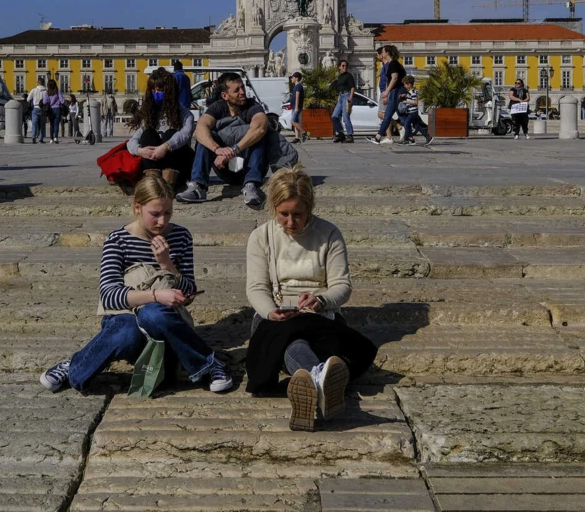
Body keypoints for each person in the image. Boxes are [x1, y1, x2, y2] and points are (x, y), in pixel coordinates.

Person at [38, 172, 232, 395]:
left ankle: (208, 365)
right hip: (125, 321)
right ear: (137, 207)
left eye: (168, 213)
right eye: (155, 214)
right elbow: (109, 295)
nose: (162, 221)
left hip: (167, 325)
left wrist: (167, 264)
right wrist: (156, 295)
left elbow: (189, 290)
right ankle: (74, 367)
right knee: (128, 328)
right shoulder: (118, 240)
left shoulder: (180, 236)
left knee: (154, 314)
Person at [245, 165, 377, 431]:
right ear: (273, 208)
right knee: (289, 337)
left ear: (310, 208)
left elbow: (342, 285)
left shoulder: (329, 234)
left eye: (298, 214)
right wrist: (271, 311)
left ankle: (313, 384)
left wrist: (321, 300)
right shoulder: (261, 237)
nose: (291, 222)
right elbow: (256, 288)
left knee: (296, 342)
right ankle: (321, 381)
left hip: (319, 315)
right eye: (284, 215)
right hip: (276, 314)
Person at [176, 71, 275, 207]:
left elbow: (260, 126)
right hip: (224, 167)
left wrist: (233, 150)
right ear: (225, 95)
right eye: (237, 90)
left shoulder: (252, 106)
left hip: (250, 167)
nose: (242, 92)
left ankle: (251, 185)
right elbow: (200, 128)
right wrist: (218, 150)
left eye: (242, 87)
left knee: (258, 135)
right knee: (205, 137)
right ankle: (198, 186)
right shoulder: (217, 107)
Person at [126, 68, 194, 188]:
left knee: (171, 133)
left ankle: (169, 180)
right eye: (153, 90)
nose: (156, 93)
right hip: (155, 161)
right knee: (148, 134)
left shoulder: (185, 113)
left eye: (160, 90)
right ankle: (153, 179)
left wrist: (166, 146)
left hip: (176, 162)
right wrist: (140, 151)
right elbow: (134, 139)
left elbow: (185, 134)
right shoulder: (149, 114)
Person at [370, 45, 406, 145]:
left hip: (392, 91)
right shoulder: (389, 64)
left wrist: (386, 92)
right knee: (389, 115)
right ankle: (391, 133)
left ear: (386, 53)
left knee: (386, 115)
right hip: (390, 91)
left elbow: (392, 79)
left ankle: (390, 133)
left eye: (382, 52)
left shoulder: (391, 64)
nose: (379, 55)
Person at [399, 75, 433, 145]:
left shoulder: (413, 92)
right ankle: (428, 136)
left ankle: (406, 140)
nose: (404, 86)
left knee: (407, 124)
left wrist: (406, 102)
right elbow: (410, 96)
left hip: (412, 112)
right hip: (412, 112)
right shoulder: (411, 91)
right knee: (417, 126)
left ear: (409, 84)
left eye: (405, 84)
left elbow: (415, 102)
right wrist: (404, 96)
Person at [331, 59, 355, 143]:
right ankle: (341, 133)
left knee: (345, 117)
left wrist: (351, 97)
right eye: (343, 66)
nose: (344, 67)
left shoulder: (349, 76)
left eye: (346, 66)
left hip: (347, 96)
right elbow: (339, 87)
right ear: (339, 67)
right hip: (341, 97)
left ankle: (350, 135)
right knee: (334, 116)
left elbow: (352, 87)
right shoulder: (339, 76)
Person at [289, 71, 309, 143]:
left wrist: (296, 107)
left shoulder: (298, 86)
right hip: (294, 107)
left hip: (296, 107)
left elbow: (297, 97)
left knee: (293, 121)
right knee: (296, 122)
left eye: (292, 77)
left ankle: (304, 133)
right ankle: (297, 138)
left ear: (296, 78)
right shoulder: (296, 86)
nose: (291, 79)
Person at [27, 79, 48, 144]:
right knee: (42, 124)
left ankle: (33, 135)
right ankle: (41, 139)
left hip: (35, 108)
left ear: (37, 83)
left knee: (34, 123)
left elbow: (28, 99)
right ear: (43, 83)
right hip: (43, 109)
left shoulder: (33, 90)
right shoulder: (46, 91)